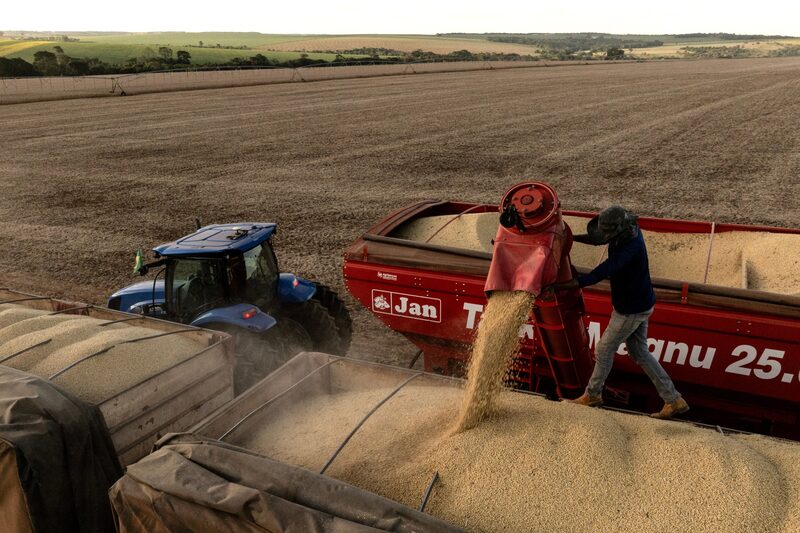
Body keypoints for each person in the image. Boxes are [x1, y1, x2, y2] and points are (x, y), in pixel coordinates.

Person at [547, 206, 689, 419]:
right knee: (639, 352)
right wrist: (568, 238)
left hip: (630, 309)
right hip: (642, 301)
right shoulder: (629, 227)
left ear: (618, 231)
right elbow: (599, 239)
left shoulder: (628, 250)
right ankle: (673, 399)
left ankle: (592, 395)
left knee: (603, 350)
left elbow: (597, 275)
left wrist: (557, 287)